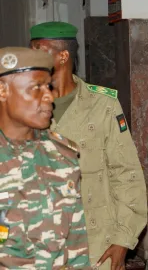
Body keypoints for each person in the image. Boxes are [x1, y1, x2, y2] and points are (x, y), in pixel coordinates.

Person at [29, 21, 147, 270]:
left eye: (39, 50)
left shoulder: (102, 105)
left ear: (62, 56)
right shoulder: (23, 107)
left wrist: (123, 240)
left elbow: (127, 175)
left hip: (95, 248)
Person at [0, 47, 90, 269]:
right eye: (36, 88)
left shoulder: (62, 155)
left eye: (48, 86)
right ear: (2, 91)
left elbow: (76, 244)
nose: (49, 96)